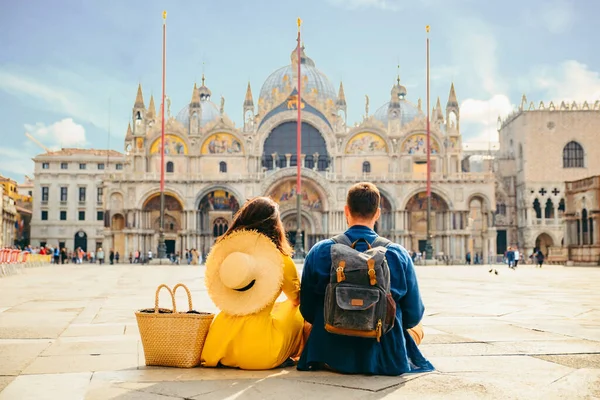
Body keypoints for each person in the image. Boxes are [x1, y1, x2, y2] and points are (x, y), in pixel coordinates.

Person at [297, 182, 433, 376]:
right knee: (417, 328)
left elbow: (307, 310)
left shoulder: (319, 251)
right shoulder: (398, 254)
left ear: (346, 211)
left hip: (328, 354)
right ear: (377, 213)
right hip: (385, 356)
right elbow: (413, 315)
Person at [202, 197, 304, 370]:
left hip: (217, 346)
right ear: (275, 225)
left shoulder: (230, 255)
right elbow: (297, 299)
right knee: (298, 311)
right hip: (259, 353)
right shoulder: (280, 260)